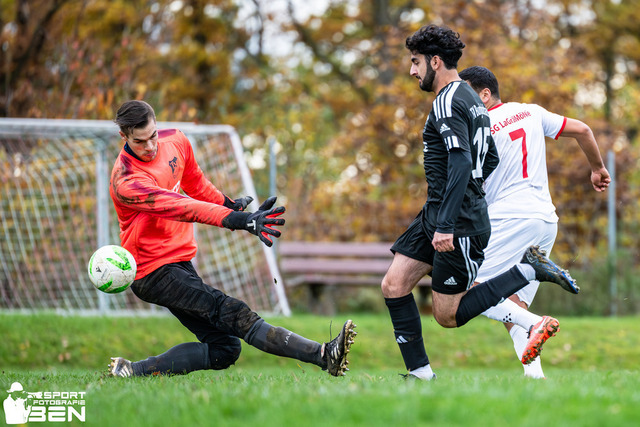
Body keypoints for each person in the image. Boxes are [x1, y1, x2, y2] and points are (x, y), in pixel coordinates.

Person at [381, 24, 580, 381]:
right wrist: (455, 199)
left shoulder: (447, 100)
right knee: (394, 284)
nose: (412, 70)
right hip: (437, 211)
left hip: (456, 219)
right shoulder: (472, 100)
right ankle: (420, 374)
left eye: (415, 62)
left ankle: (529, 270)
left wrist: (448, 221)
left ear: (435, 61)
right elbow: (488, 158)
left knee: (447, 315)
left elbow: (461, 161)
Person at [107, 100, 356, 378]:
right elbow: (183, 207)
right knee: (229, 310)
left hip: (179, 262)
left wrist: (228, 205)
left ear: (157, 126)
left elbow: (195, 182)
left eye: (153, 135)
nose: (151, 146)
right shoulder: (126, 182)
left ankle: (130, 370)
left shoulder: (175, 139)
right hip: (151, 272)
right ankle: (323, 354)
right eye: (140, 141)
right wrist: (239, 220)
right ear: (124, 136)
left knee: (224, 349)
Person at [458, 65, 611, 378]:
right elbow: (583, 130)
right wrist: (597, 168)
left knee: (463, 293)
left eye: (465, 95)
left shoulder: (479, 127)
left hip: (509, 218)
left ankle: (536, 323)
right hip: (545, 220)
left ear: (485, 95)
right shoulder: (531, 112)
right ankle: (535, 378)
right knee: (513, 304)